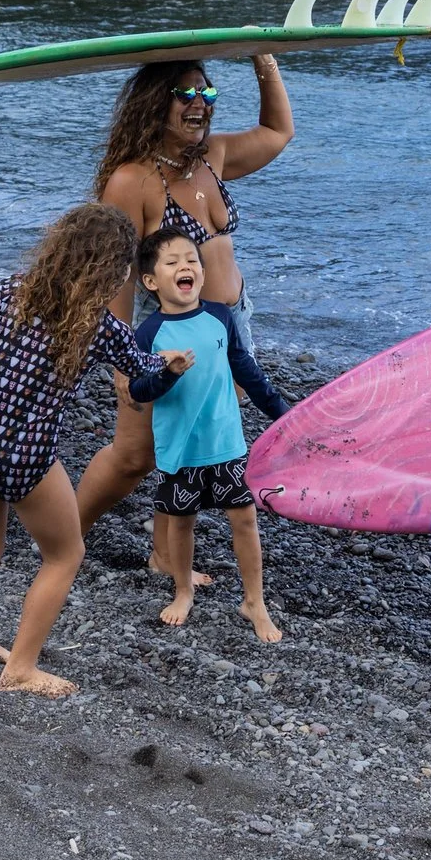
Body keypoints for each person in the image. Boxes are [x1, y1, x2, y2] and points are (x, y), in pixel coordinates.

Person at [0, 205, 193, 698]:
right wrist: (173, 366)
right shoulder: (99, 326)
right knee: (64, 554)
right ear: (114, 270)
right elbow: (142, 371)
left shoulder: (10, 292)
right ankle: (21, 667)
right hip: (25, 454)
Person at [75, 56, 294, 581]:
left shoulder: (213, 156)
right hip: (164, 331)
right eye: (185, 94)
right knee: (133, 455)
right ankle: (64, 537)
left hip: (227, 325)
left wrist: (265, 64)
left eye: (208, 94)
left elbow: (277, 131)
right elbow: (119, 277)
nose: (200, 104)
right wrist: (122, 361)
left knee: (192, 438)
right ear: (155, 103)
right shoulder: (133, 180)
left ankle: (164, 555)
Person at [130, 229, 287, 641]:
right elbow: (138, 391)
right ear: (151, 281)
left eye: (191, 259)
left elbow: (246, 369)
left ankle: (254, 600)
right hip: (180, 449)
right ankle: (183, 591)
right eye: (172, 261)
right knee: (181, 524)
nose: (186, 266)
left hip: (225, 442)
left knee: (245, 520)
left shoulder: (220, 316)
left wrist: (283, 415)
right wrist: (168, 373)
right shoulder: (148, 335)